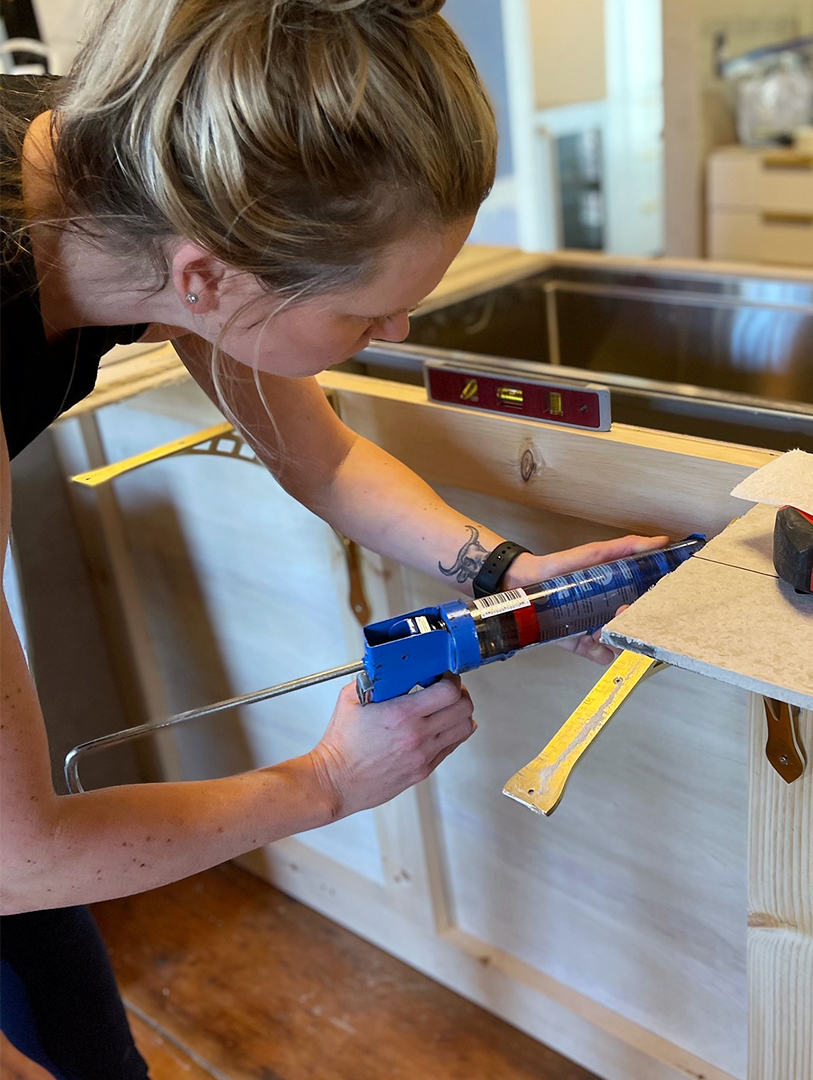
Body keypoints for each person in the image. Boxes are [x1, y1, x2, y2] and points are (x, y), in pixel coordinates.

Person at [0, 2, 663, 1076]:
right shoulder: (165, 234)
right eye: (368, 316)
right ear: (206, 274)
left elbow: (325, 456)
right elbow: (19, 857)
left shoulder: (141, 179)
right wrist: (327, 784)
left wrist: (509, 572)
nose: (394, 335)